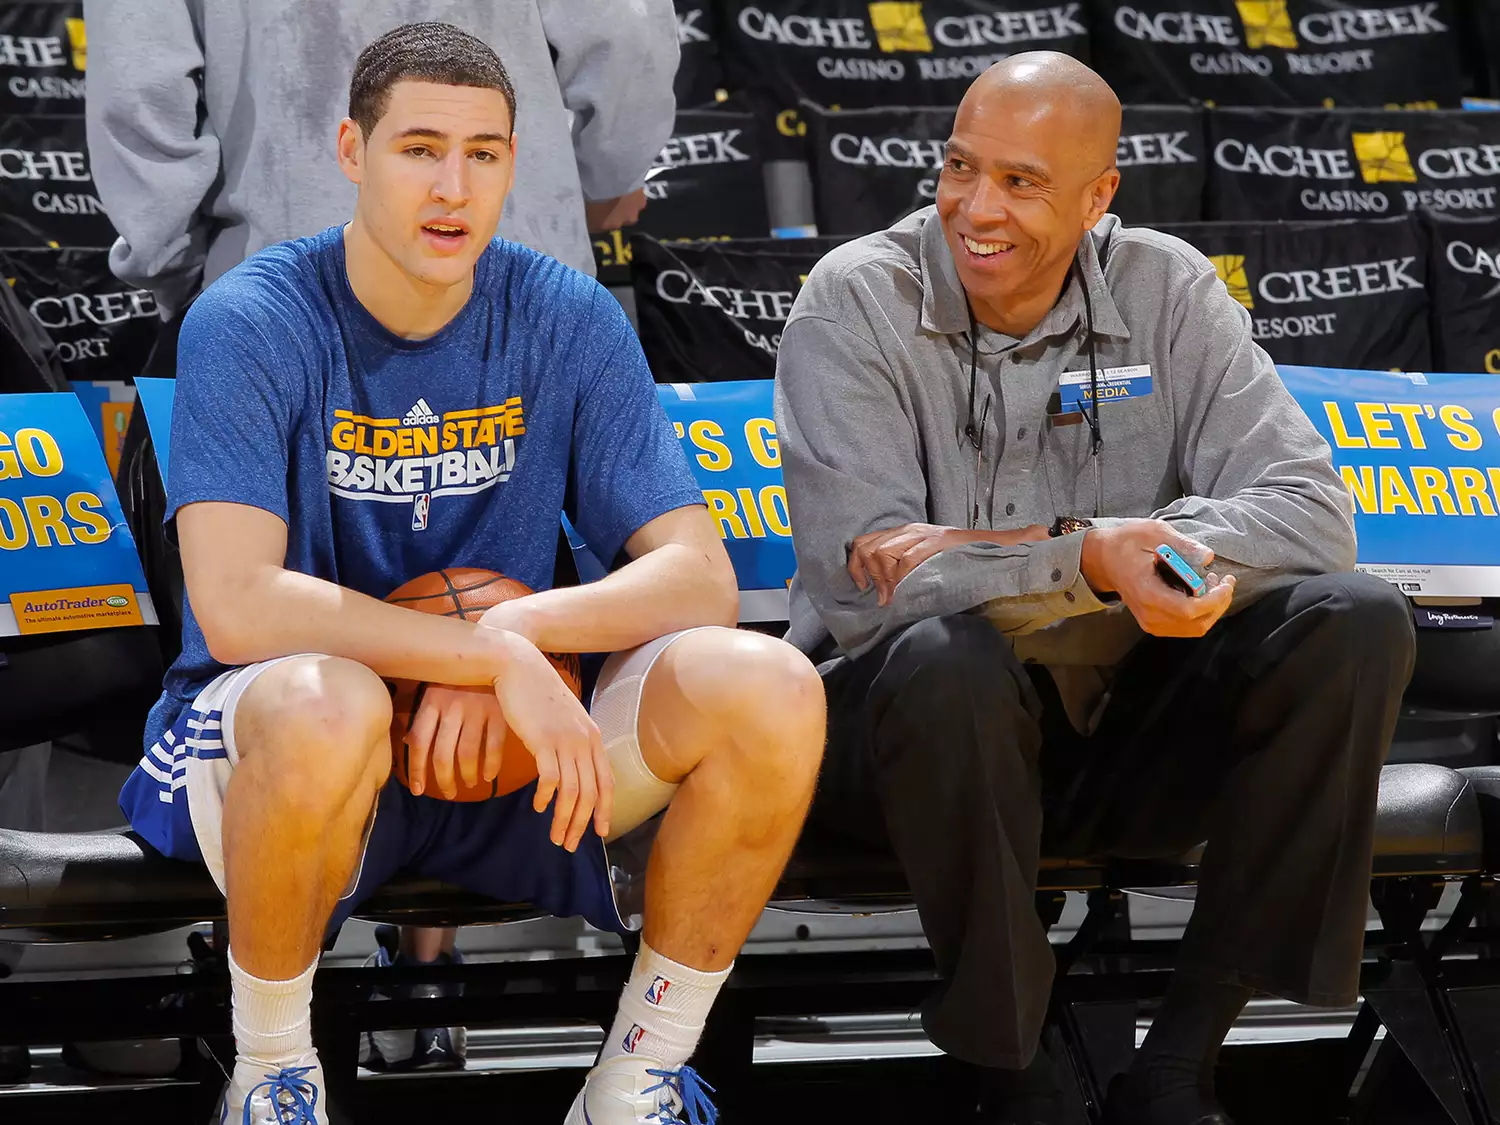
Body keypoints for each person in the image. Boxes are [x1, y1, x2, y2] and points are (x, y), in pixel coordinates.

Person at [115, 23, 824, 1125]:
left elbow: (699, 578)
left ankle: (638, 1077)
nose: (453, 188)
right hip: (291, 739)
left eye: (485, 154)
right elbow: (241, 604)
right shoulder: (251, 319)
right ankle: (271, 1077)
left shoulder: (567, 315)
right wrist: (490, 653)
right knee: (324, 698)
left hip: (505, 742)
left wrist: (518, 640)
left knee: (770, 686)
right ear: (351, 151)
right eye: (419, 150)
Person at [774, 52, 1414, 1125]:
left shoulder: (1168, 286)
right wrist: (1084, 554)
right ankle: (1016, 1074)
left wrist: (1140, 547)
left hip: (1114, 730)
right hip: (901, 746)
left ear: (1098, 195)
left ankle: (1180, 1065)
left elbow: (1314, 513)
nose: (978, 208)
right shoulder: (855, 300)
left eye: (1021, 183)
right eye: (959, 168)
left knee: (1354, 620)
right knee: (948, 662)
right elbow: (874, 586)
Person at [82, 0, 676, 317]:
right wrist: (606, 175)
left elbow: (138, 96)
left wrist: (172, 264)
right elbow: (626, 36)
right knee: (535, 541)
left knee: (276, 547)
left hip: (284, 285)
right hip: (518, 270)